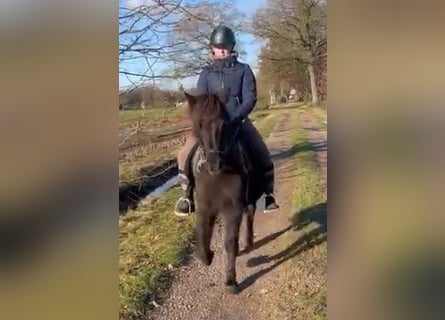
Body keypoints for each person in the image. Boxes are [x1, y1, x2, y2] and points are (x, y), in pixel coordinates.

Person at [174, 25, 279, 216]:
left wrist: (237, 117)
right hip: (211, 125)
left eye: (226, 46)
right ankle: (187, 195)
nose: (222, 50)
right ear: (212, 48)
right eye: (218, 46)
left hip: (237, 121)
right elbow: (202, 100)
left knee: (260, 148)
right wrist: (204, 120)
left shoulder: (244, 70)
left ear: (231, 47)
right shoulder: (206, 73)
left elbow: (250, 98)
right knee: (184, 152)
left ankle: (266, 194)